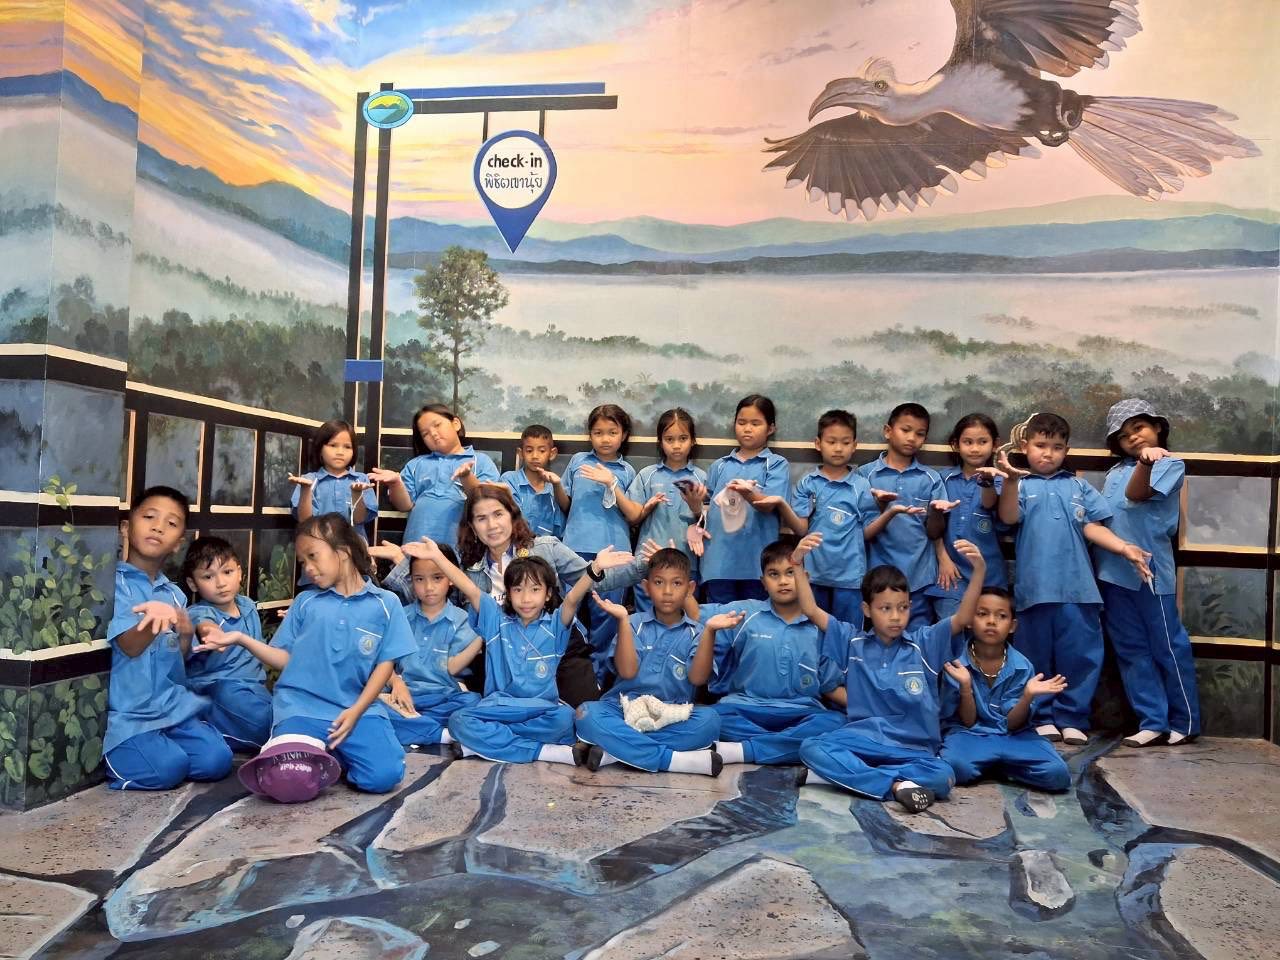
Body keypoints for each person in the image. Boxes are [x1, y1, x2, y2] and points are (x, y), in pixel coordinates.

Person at [195, 514, 415, 793]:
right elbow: (284, 659)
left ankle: (328, 757)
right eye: (302, 561)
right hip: (301, 710)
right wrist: (240, 638)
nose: (308, 568)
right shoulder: (305, 602)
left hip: (358, 711)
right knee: (287, 781)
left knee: (383, 777)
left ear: (343, 552)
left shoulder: (385, 603)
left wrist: (357, 711)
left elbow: (385, 665)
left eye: (313, 556)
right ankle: (315, 753)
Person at [380, 484, 649, 704]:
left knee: (583, 714)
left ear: (512, 515)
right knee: (482, 712)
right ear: (472, 526)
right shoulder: (467, 566)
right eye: (481, 519)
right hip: (500, 652)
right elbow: (434, 595)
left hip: (557, 646)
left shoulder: (545, 548)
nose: (492, 525)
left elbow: (594, 581)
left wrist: (646, 565)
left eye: (498, 514)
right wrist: (401, 564)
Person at [795, 536, 986, 813]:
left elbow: (962, 619)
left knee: (943, 777)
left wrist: (978, 571)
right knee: (811, 747)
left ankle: (842, 776)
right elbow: (811, 610)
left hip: (914, 750)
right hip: (862, 740)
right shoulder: (851, 642)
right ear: (867, 610)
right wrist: (797, 563)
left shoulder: (924, 644)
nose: (896, 616)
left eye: (903, 607)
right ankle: (897, 786)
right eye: (885, 608)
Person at [996, 412, 1151, 745]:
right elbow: (1008, 517)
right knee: (1034, 658)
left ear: (1066, 450)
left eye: (1056, 447)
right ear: (1025, 446)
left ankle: (1072, 718)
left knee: (1081, 657)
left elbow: (1092, 526)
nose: (1048, 453)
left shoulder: (1078, 486)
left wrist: (1124, 547)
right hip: (1034, 592)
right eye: (1040, 445)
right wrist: (1008, 479)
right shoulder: (1019, 485)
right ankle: (1041, 717)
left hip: (1079, 590)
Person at [417, 539, 635, 764]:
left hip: (542, 710)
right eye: (518, 590)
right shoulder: (496, 621)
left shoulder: (554, 626)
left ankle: (484, 744)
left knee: (566, 719)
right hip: (499, 707)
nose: (526, 598)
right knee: (459, 721)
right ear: (508, 594)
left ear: (548, 594)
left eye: (535, 589)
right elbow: (470, 589)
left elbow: (572, 599)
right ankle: (545, 752)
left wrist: (594, 568)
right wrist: (437, 556)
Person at [103, 486, 232, 791]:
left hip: (171, 709)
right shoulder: (113, 585)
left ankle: (164, 747)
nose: (158, 527)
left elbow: (176, 662)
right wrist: (154, 620)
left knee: (217, 760)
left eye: (171, 523)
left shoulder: (174, 594)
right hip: (131, 714)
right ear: (126, 527)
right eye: (149, 517)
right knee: (168, 769)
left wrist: (185, 636)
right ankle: (127, 757)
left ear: (178, 544)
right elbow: (129, 646)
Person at [1096, 399, 1201, 747]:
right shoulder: (1114, 472)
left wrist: (1145, 462)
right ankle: (1152, 721)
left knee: (1168, 646)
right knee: (1130, 649)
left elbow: (1137, 494)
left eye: (1138, 428)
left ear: (1157, 428)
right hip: (1113, 572)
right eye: (1124, 435)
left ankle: (1184, 721)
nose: (1133, 437)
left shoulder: (1170, 464)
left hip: (1152, 571)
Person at [696, 539, 846, 766]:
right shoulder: (746, 613)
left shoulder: (820, 626)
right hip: (744, 708)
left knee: (836, 724)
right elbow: (694, 614)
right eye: (774, 574)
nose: (783, 581)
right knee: (708, 718)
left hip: (800, 714)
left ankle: (745, 750)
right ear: (763, 582)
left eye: (790, 573)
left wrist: (873, 709)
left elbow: (830, 686)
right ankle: (784, 747)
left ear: (805, 578)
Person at [574, 548, 722, 776]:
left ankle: (615, 752)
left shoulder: (698, 632)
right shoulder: (633, 623)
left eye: (677, 583)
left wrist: (710, 631)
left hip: (672, 713)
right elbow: (627, 671)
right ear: (646, 587)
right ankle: (674, 760)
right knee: (586, 713)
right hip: (623, 709)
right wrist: (622, 621)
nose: (667, 591)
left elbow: (698, 679)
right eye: (659, 582)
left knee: (710, 721)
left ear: (690, 589)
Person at [762, 409, 906, 629]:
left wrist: (890, 512)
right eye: (831, 442)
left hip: (850, 579)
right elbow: (801, 529)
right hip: (814, 576)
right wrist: (782, 504)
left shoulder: (861, 485)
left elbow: (867, 532)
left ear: (854, 446)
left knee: (847, 634)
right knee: (812, 631)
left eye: (845, 442)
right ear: (818, 443)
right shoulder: (808, 483)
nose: (838, 448)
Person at [939, 586, 1072, 791]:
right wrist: (965, 687)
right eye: (982, 614)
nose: (991, 621)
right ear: (969, 621)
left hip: (1014, 737)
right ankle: (1001, 764)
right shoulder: (956, 662)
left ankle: (993, 764)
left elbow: (1012, 725)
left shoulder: (1022, 666)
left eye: (1001, 616)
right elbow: (968, 722)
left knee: (1058, 775)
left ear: (1012, 626)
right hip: (970, 734)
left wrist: (1027, 696)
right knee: (956, 768)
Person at [690, 394, 790, 603]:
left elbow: (769, 506)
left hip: (757, 565)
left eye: (755, 423)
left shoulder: (776, 464)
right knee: (719, 617)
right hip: (718, 563)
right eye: (742, 422)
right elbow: (706, 509)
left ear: (770, 428)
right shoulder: (720, 465)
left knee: (755, 617)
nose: (747, 429)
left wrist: (747, 493)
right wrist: (695, 505)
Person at [557, 403, 638, 661]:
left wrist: (611, 484)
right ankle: (569, 667)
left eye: (612, 432)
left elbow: (633, 514)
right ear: (590, 435)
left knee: (606, 615)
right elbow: (566, 504)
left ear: (624, 435)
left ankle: (599, 672)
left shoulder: (627, 471)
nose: (605, 439)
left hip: (614, 552)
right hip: (574, 548)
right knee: (568, 610)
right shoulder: (578, 461)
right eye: (598, 432)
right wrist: (556, 485)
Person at [856, 403, 948, 629]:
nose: (911, 438)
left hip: (919, 578)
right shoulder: (865, 475)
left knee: (916, 639)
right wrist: (880, 505)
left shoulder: (931, 478)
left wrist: (936, 513)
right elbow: (860, 531)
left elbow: (935, 532)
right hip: (876, 578)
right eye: (905, 430)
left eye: (920, 434)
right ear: (888, 431)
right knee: (879, 639)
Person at [382, 542, 482, 748]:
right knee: (369, 706)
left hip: (444, 697)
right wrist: (397, 683)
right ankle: (442, 734)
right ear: (411, 580)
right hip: (405, 695)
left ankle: (417, 727)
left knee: (473, 702)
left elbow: (452, 668)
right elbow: (384, 662)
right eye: (419, 579)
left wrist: (482, 636)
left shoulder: (462, 620)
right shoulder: (401, 616)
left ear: (451, 578)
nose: (428, 587)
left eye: (437, 578)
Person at [181, 536, 272, 751]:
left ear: (239, 572)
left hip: (254, 691)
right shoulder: (198, 612)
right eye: (208, 576)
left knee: (291, 708)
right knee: (262, 722)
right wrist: (212, 633)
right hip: (218, 690)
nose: (221, 583)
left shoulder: (247, 606)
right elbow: (205, 625)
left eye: (227, 572)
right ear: (193, 584)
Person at [615, 408, 708, 614]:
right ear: (660, 441)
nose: (676, 445)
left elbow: (709, 526)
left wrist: (697, 508)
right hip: (648, 561)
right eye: (669, 439)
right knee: (645, 619)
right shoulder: (647, 475)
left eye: (683, 438)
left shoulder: (702, 478)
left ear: (693, 441)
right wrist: (646, 508)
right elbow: (631, 519)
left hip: (687, 563)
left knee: (687, 621)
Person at [370, 403, 499, 549]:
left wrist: (466, 477)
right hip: (416, 545)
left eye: (437, 425)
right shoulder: (416, 464)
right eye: (425, 433)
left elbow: (485, 501)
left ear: (456, 424)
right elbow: (404, 506)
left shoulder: (480, 461)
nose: (433, 433)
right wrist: (395, 483)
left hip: (461, 549)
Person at [925, 413, 1009, 623]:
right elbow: (933, 528)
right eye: (968, 442)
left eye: (982, 442)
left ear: (995, 444)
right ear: (956, 444)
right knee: (950, 632)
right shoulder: (942, 479)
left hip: (990, 576)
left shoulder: (1001, 480)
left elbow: (992, 506)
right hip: (950, 575)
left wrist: (987, 482)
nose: (975, 448)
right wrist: (943, 559)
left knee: (988, 632)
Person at [289, 419, 377, 542]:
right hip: (319, 546)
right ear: (320, 448)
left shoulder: (361, 479)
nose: (340, 452)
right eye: (333, 445)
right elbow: (305, 521)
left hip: (353, 548)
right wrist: (306, 490)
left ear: (354, 451)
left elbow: (359, 519)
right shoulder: (308, 480)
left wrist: (357, 494)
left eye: (347, 447)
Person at [500, 424, 564, 538]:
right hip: (514, 544)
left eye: (542, 451)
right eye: (529, 451)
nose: (535, 456)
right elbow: (508, 520)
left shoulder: (555, 488)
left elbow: (558, 530)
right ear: (521, 453)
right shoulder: (509, 480)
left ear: (552, 453)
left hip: (546, 547)